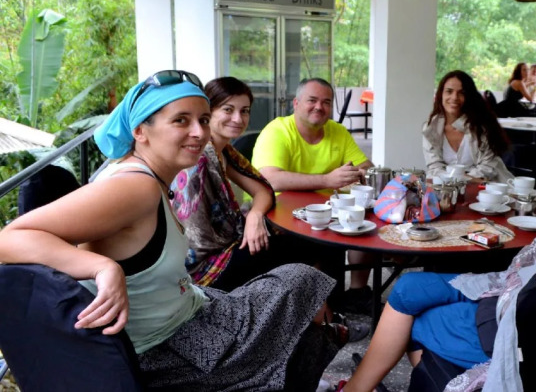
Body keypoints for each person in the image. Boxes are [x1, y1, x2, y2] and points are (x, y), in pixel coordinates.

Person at [0, 70, 342, 390]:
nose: (199, 132)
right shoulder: (136, 187)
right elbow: (9, 239)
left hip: (190, 311)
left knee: (299, 287)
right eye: (181, 120)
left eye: (203, 120)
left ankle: (323, 339)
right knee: (301, 299)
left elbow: (260, 187)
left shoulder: (154, 178)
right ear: (140, 131)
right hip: (168, 350)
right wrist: (101, 267)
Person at [336, 109, 536, 392]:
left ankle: (401, 382)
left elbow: (533, 310)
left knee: (417, 319)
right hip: (519, 309)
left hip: (518, 334)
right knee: (410, 287)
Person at [170, 77, 312, 291]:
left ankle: (322, 308)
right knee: (305, 247)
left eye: (244, 111)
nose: (238, 118)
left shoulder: (223, 151)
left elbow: (263, 190)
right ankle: (325, 310)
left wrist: (255, 216)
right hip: (203, 270)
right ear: (208, 112)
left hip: (229, 245)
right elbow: (197, 238)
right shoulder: (200, 157)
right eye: (228, 110)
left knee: (302, 240)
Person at [252, 77, 375, 313]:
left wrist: (358, 173)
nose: (319, 107)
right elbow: (270, 179)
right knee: (324, 248)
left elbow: (366, 167)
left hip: (328, 213)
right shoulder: (277, 131)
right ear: (296, 103)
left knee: (365, 221)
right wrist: (328, 180)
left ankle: (357, 293)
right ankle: (317, 307)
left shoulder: (337, 131)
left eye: (326, 102)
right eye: (312, 100)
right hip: (280, 214)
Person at [423, 70, 514, 183]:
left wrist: (459, 179)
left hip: (489, 186)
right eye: (449, 91)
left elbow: (488, 167)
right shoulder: (430, 128)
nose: (454, 97)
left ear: (469, 96)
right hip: (448, 188)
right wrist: (453, 181)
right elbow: (434, 167)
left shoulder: (483, 125)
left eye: (461, 93)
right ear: (441, 94)